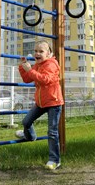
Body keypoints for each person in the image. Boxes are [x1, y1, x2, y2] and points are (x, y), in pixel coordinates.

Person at [16, 40, 64, 169]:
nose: (37, 53)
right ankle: (30, 136)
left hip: (53, 102)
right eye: (36, 51)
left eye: (41, 51)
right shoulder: (38, 65)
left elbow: (45, 80)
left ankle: (54, 160)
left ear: (49, 54)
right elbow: (27, 79)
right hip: (41, 102)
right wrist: (23, 66)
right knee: (26, 122)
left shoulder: (51, 64)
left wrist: (30, 70)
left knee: (52, 132)